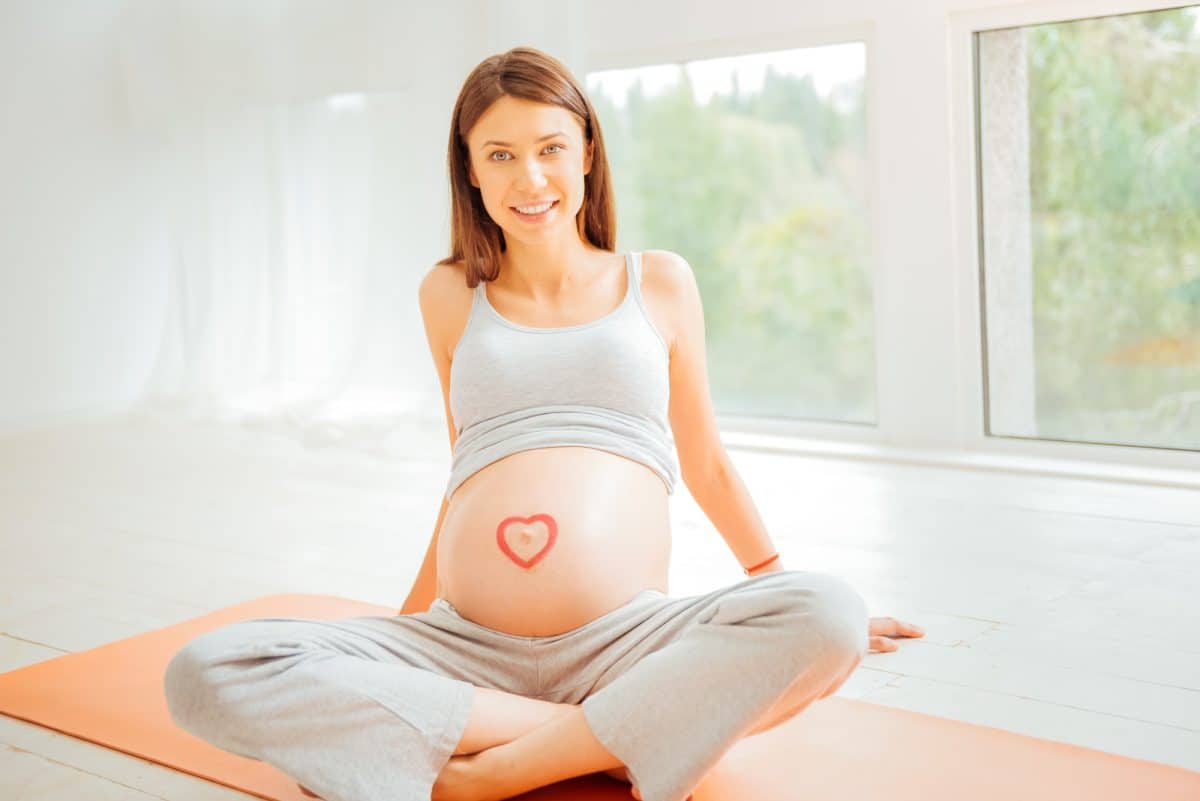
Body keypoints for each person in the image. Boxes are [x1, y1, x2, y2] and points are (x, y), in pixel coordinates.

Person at [162, 46, 925, 801]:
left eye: (550, 148)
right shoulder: (448, 293)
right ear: (469, 168)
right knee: (204, 671)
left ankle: (500, 766)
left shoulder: (657, 281)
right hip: (464, 644)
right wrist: (400, 642)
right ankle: (601, 732)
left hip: (626, 643)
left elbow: (707, 462)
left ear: (588, 151)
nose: (529, 178)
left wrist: (776, 587)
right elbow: (466, 469)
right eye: (499, 154)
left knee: (831, 614)